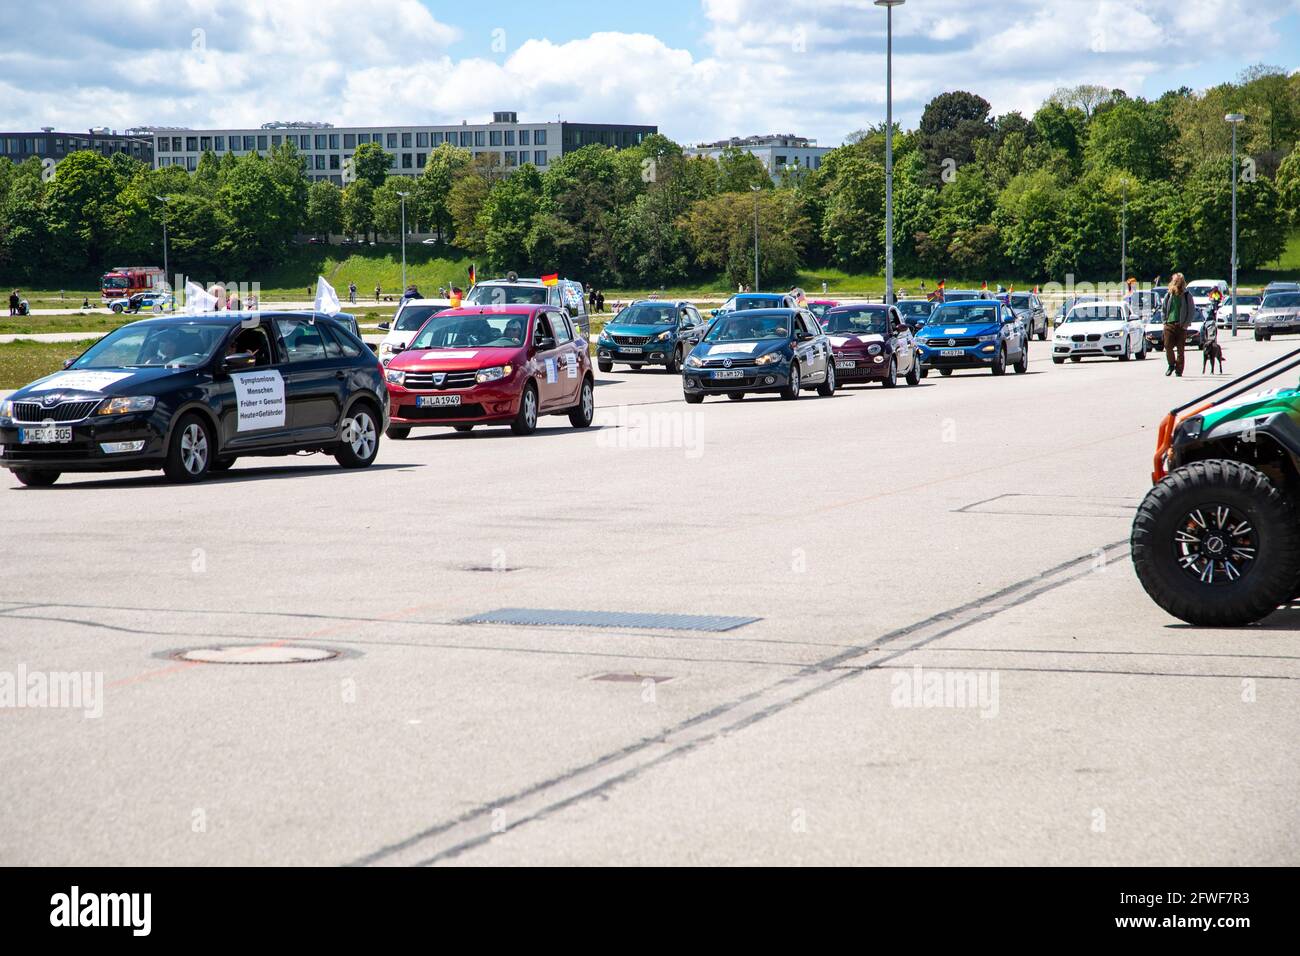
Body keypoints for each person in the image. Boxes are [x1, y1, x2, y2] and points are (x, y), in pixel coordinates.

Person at [1162, 273, 1194, 378]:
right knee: (1167, 346)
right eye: (1175, 280)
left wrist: (1185, 325)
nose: (1177, 282)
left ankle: (1179, 370)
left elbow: (1191, 311)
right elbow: (1163, 309)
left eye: (1178, 280)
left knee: (1181, 350)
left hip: (1181, 326)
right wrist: (1164, 321)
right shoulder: (1169, 294)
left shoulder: (1187, 295)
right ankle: (1171, 365)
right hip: (1169, 324)